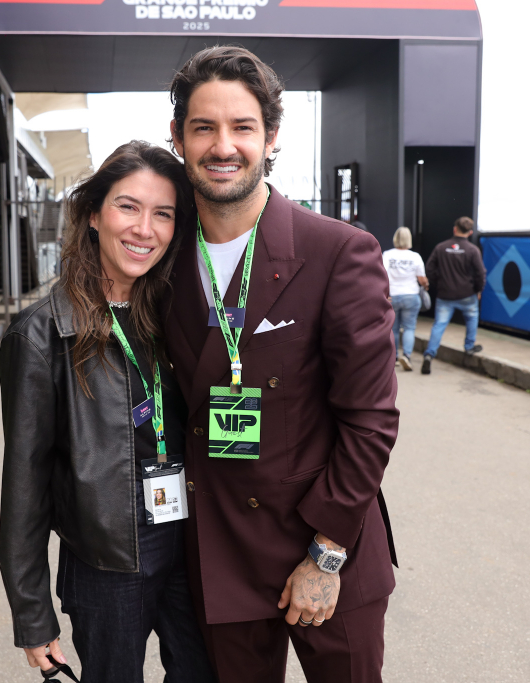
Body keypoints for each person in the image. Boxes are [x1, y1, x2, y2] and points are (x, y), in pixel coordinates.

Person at [163, 46, 400, 682]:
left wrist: (326, 556)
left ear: (270, 138)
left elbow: (371, 419)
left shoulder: (337, 252)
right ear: (178, 138)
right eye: (203, 127)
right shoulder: (164, 263)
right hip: (223, 552)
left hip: (327, 543)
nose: (223, 146)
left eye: (242, 127)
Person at [0, 141, 217, 683]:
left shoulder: (170, 316)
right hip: (105, 564)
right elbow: (24, 481)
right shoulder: (41, 334)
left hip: (185, 542)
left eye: (163, 213)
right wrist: (32, 614)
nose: (145, 228)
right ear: (93, 214)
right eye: (128, 206)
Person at [422, 216, 487, 375]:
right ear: (470, 232)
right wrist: (478, 290)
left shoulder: (441, 247)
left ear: (454, 229)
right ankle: (469, 347)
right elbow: (480, 273)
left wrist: (439, 284)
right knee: (472, 318)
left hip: (445, 294)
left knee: (439, 325)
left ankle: (429, 355)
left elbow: (429, 270)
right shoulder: (473, 250)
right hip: (467, 294)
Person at [382, 226, 427, 371]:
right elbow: (421, 279)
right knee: (409, 328)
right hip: (411, 295)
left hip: (392, 296)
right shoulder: (415, 256)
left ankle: (394, 358)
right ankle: (407, 356)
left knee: (393, 329)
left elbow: (382, 275)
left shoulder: (387, 255)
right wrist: (426, 284)